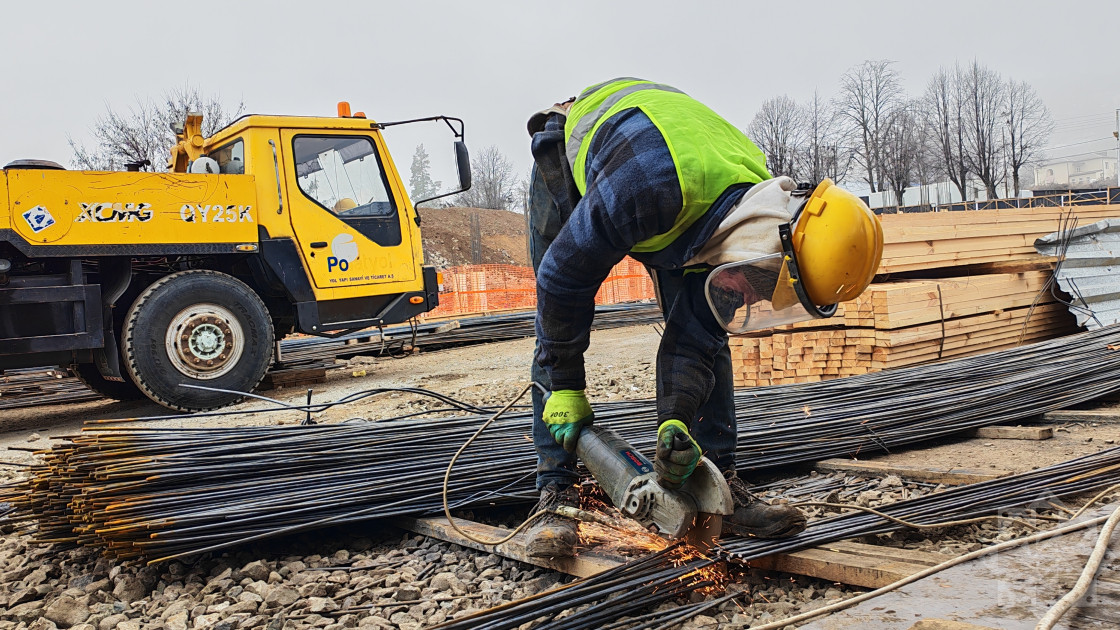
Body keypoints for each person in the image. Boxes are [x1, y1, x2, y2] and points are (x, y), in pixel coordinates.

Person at [523, 78, 883, 557]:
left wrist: (676, 423)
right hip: (587, 149)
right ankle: (555, 493)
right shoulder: (643, 190)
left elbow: (695, 337)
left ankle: (719, 484)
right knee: (555, 318)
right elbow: (562, 283)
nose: (750, 290)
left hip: (683, 183)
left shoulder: (756, 221)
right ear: (774, 250)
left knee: (713, 327)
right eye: (763, 279)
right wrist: (566, 383)